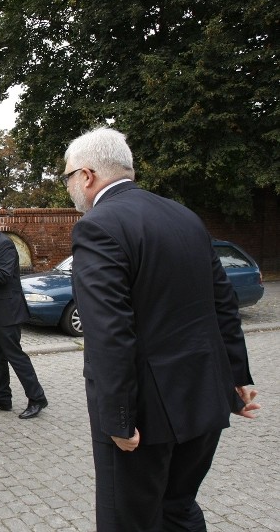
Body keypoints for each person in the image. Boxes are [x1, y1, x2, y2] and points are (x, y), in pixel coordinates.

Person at [64, 127, 260, 531]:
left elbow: (109, 331)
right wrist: (236, 378)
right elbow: (222, 303)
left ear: (87, 175)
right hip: (205, 398)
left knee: (129, 521)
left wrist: (118, 415)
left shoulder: (98, 226)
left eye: (67, 177)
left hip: (144, 418)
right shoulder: (183, 216)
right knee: (179, 508)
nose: (68, 186)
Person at [0, 209, 48, 419]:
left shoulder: (4, 244)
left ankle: (37, 398)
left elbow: (3, 276)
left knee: (15, 357)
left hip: (7, 312)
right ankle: (3, 398)